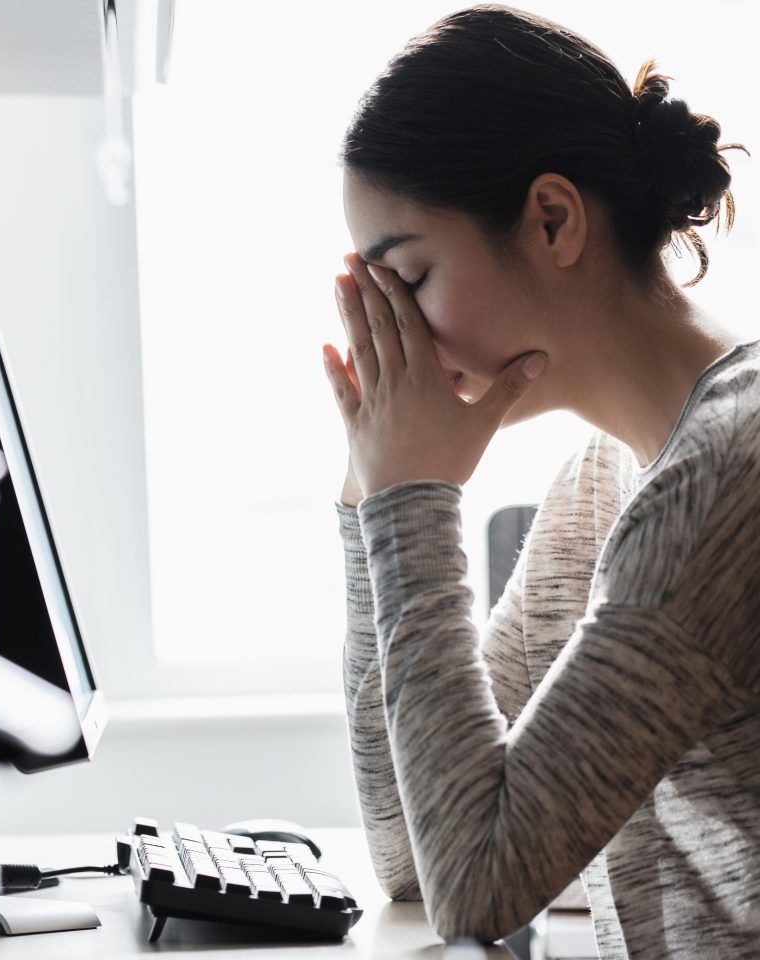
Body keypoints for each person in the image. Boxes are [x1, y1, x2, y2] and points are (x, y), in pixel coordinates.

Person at [318, 5, 755, 958]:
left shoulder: (725, 477)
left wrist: (412, 502)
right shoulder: (605, 483)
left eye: (411, 276)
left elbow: (477, 887)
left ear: (553, 220)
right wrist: (371, 491)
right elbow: (415, 848)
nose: (394, 333)